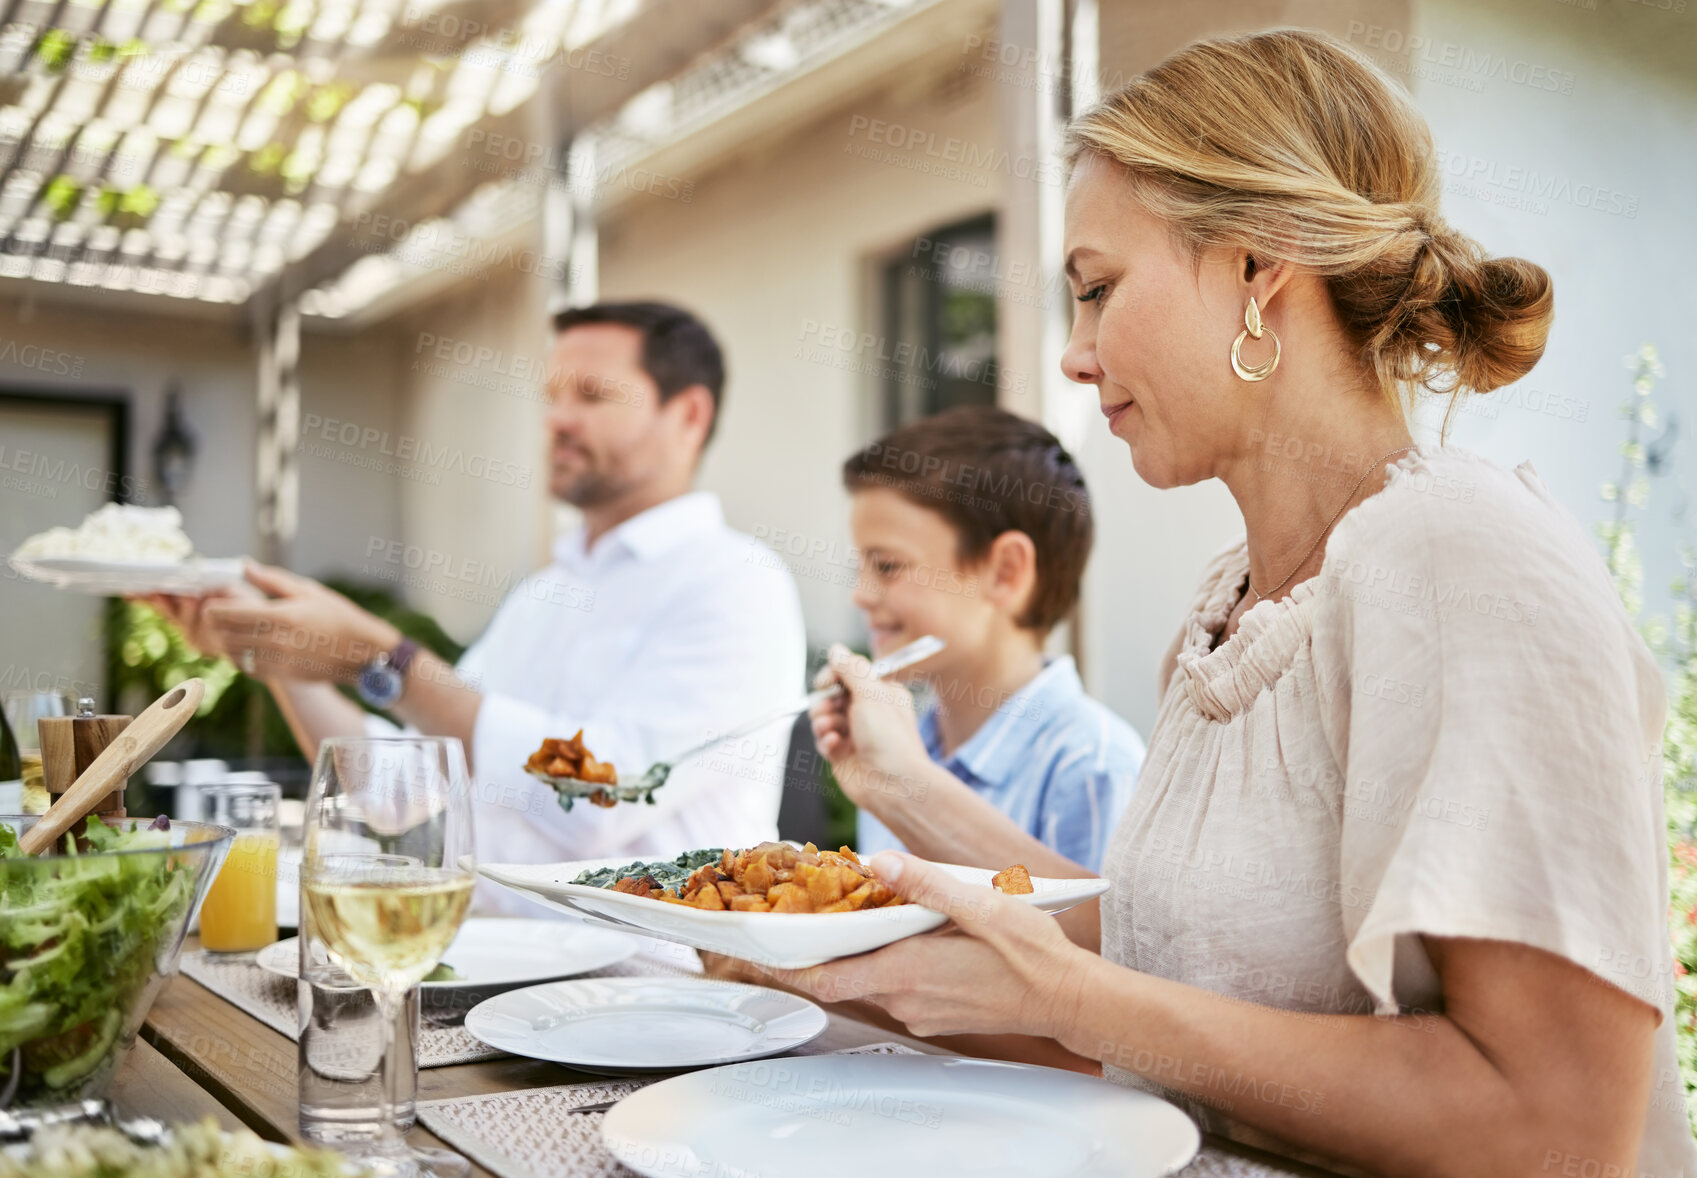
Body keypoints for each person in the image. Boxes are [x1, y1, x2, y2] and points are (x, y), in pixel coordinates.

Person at [779, 30, 1696, 1178]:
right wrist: (873, 849)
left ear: (1261, 269)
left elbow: (1553, 1129)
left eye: (1098, 290)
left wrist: (1068, 997)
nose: (1073, 354)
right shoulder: (1226, 615)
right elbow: (1176, 954)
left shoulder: (1467, 561)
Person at [156, 302, 806, 904]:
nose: (556, 419)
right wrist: (274, 655)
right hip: (487, 978)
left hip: (653, 995)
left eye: (592, 394)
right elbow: (399, 794)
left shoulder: (737, 581)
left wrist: (378, 657)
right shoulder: (544, 594)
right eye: (551, 396)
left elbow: (603, 793)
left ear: (688, 415)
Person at [824, 406, 1144, 872]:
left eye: (888, 566)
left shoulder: (1092, 768)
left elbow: (1099, 942)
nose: (860, 594)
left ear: (1006, 571)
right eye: (860, 567)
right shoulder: (898, 748)